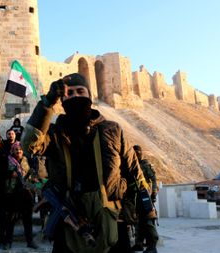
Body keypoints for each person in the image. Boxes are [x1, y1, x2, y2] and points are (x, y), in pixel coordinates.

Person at [21, 73, 149, 253]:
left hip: (112, 220)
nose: (75, 96)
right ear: (62, 100)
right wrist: (47, 103)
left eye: (80, 91)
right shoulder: (53, 133)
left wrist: (147, 222)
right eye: (69, 93)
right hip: (69, 222)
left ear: (89, 96)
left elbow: (135, 173)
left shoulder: (112, 130)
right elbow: (29, 145)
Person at [3, 142, 39, 250]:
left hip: (26, 194)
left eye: (20, 150)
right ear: (12, 151)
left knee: (27, 220)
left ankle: (30, 241)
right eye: (16, 150)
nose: (18, 151)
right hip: (12, 194)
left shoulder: (26, 160)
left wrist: (34, 180)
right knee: (10, 220)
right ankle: (8, 242)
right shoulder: (7, 160)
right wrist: (10, 174)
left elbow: (30, 174)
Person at [131, 145, 159, 253]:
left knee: (148, 220)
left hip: (145, 196)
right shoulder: (132, 165)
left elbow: (153, 180)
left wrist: (154, 194)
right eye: (135, 153)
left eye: (138, 152)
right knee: (138, 221)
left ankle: (152, 245)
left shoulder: (145, 165)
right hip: (135, 198)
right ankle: (139, 243)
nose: (137, 155)